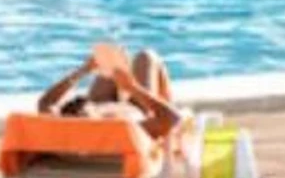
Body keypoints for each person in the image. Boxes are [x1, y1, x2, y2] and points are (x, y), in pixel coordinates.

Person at [36, 44, 180, 141]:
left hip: (102, 107)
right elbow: (173, 118)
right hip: (137, 108)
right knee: (146, 56)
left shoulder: (65, 128)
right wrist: (132, 87)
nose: (79, 101)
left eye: (76, 104)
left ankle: (118, 74)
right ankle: (174, 141)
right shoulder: (124, 130)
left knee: (111, 59)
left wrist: (84, 70)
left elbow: (45, 102)